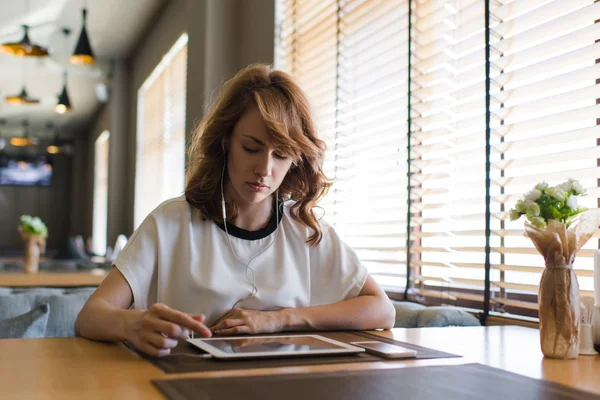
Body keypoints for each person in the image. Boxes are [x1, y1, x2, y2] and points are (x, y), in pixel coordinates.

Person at [75, 64, 396, 357]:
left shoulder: (305, 228)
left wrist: (278, 320)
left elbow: (382, 310)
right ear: (226, 142)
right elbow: (91, 315)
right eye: (251, 148)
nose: (264, 169)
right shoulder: (170, 222)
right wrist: (133, 324)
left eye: (281, 155)